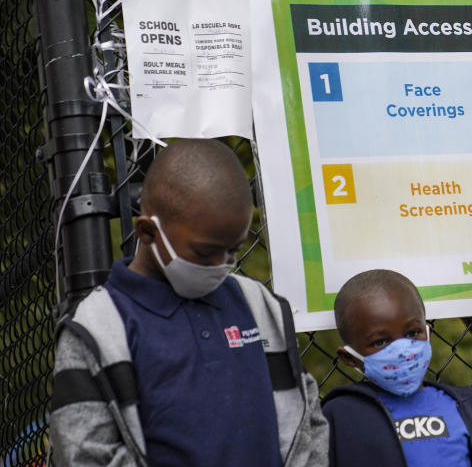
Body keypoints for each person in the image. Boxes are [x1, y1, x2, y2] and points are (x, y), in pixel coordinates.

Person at [49, 139, 328, 466]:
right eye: (206, 253)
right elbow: (83, 452)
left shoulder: (259, 306)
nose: (223, 264)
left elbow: (308, 418)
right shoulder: (99, 327)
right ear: (148, 232)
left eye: (233, 250)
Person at [322, 269, 472, 467]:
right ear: (349, 358)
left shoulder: (465, 406)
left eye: (413, 333)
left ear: (427, 332)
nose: (402, 350)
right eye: (380, 342)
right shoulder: (339, 417)